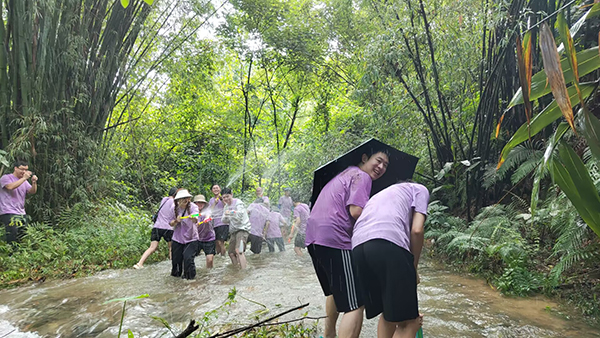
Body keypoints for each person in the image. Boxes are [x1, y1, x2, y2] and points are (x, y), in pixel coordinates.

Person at [305, 149, 389, 338]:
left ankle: (329, 335)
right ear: (365, 157)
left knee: (336, 291)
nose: (381, 167)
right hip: (335, 238)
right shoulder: (362, 176)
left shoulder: (344, 174)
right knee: (356, 303)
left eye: (385, 165)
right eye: (379, 160)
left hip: (314, 237)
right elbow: (356, 211)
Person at [352, 182, 429, 338]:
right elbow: (417, 230)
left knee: (389, 314)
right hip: (387, 242)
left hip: (358, 247)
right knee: (409, 322)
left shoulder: (380, 195)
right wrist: (412, 268)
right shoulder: (419, 189)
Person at [133, 187, 177, 269]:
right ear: (176, 194)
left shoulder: (164, 200)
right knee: (171, 248)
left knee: (152, 247)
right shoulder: (174, 203)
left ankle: (140, 263)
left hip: (157, 226)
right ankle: (172, 265)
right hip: (168, 228)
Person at [0, 160, 38, 243]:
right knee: (12, 235)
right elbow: (10, 187)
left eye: (26, 170)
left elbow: (32, 191)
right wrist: (24, 178)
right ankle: (11, 254)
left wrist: (34, 182)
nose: (24, 172)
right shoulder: (6, 178)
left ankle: (20, 254)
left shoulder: (23, 181)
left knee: (23, 236)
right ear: (15, 168)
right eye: (22, 169)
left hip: (21, 212)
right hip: (8, 211)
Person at [170, 189, 199, 279]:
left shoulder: (193, 207)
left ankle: (190, 279)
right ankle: (176, 280)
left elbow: (196, 219)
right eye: (183, 198)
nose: (185, 200)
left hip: (191, 238)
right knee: (176, 261)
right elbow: (170, 223)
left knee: (188, 259)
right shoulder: (173, 208)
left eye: (187, 198)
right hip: (177, 238)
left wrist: (192, 218)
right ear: (178, 200)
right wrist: (176, 221)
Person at [221, 187, 251, 269]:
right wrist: (227, 215)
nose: (226, 199)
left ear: (231, 194)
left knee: (239, 251)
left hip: (242, 229)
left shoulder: (238, 203)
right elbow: (223, 220)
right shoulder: (226, 207)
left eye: (227, 196)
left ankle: (243, 271)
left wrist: (230, 212)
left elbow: (239, 216)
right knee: (231, 253)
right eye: (224, 197)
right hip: (234, 231)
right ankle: (236, 269)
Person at [194, 194, 215, 269]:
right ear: (195, 204)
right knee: (189, 258)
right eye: (197, 202)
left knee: (210, 260)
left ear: (204, 204)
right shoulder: (192, 212)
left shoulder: (207, 210)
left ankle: (209, 275)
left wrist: (207, 219)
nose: (199, 204)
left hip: (209, 238)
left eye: (201, 202)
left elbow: (208, 216)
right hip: (196, 239)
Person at [208, 184, 228, 257]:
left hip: (223, 223)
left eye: (217, 188)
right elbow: (210, 210)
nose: (215, 189)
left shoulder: (224, 198)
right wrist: (214, 203)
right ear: (212, 191)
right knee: (216, 242)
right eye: (214, 188)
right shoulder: (211, 200)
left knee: (220, 242)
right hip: (214, 224)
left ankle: (223, 257)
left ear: (220, 189)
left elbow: (227, 206)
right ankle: (219, 257)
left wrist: (222, 199)